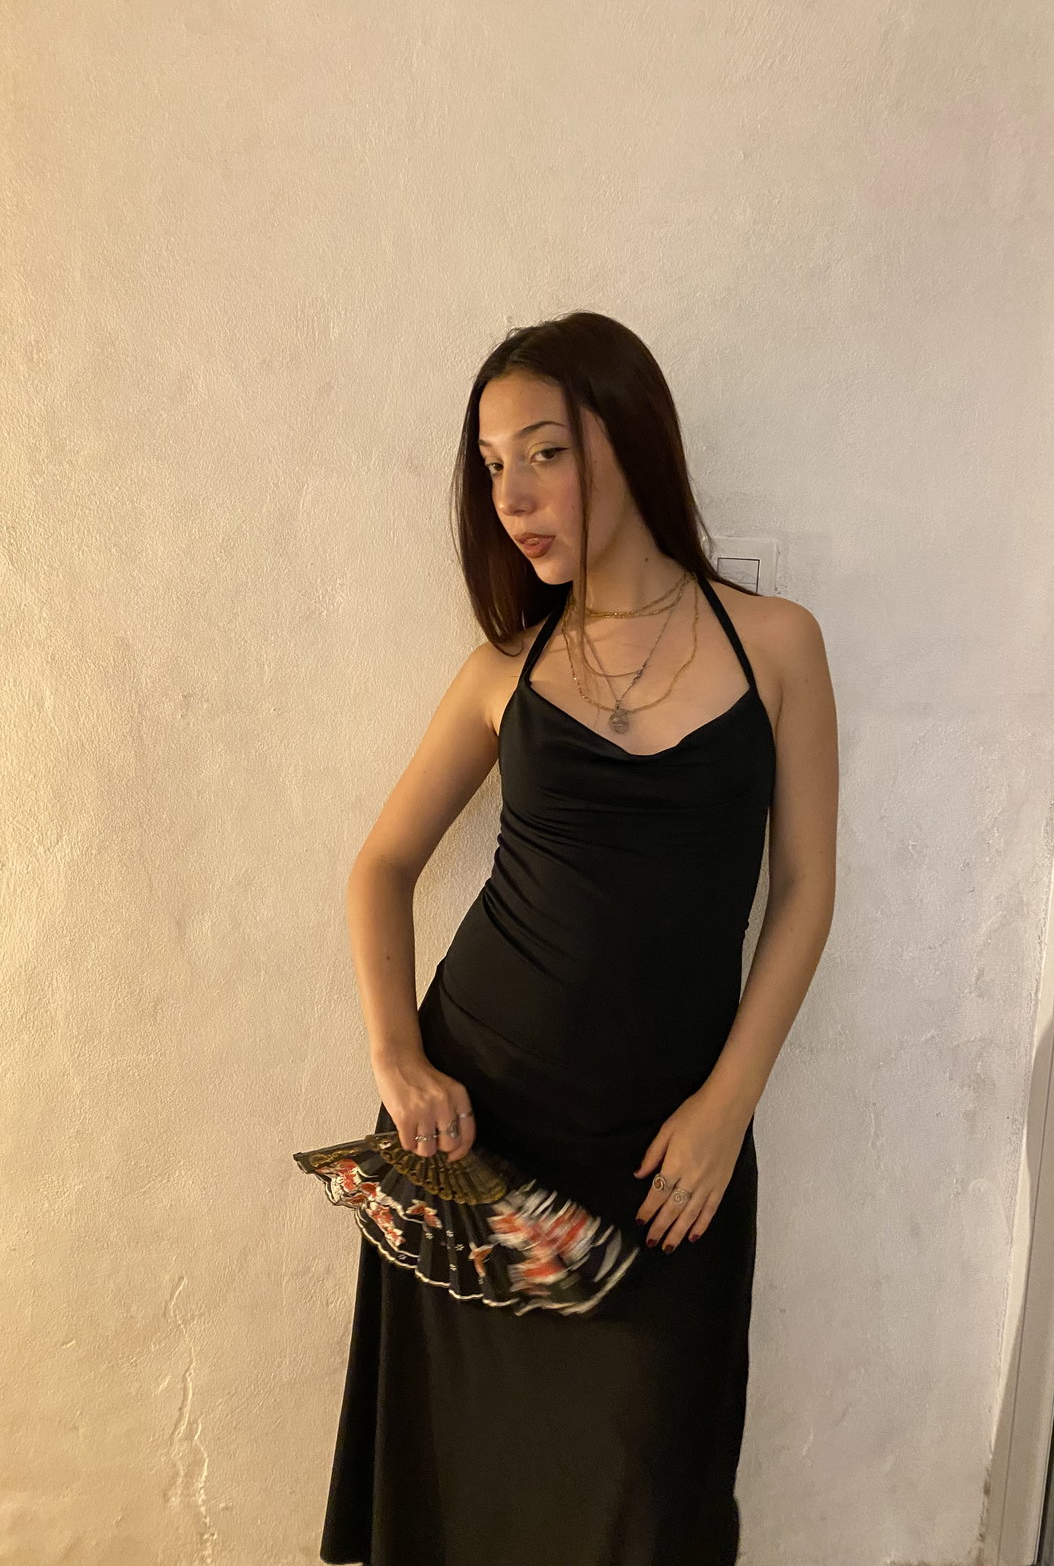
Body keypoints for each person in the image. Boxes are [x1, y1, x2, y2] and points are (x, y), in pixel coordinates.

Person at [317, 310, 838, 1566]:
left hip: (667, 1155)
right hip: (476, 1135)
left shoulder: (777, 643)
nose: (512, 497)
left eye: (543, 452)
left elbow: (807, 889)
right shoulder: (502, 668)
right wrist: (398, 1058)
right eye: (494, 465)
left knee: (645, 1501)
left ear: (628, 435)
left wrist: (727, 1105)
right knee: (461, 1493)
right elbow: (380, 867)